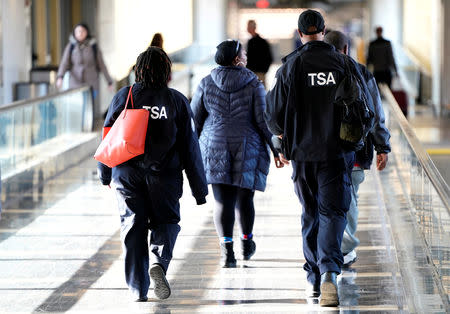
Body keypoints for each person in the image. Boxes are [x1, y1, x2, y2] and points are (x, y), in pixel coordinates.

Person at [264, 10, 373, 307]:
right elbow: (366, 111)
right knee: (333, 213)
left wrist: (282, 140)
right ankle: (328, 273)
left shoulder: (290, 67)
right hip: (337, 154)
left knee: (310, 212)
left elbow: (272, 115)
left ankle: (313, 276)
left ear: (300, 35)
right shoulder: (344, 64)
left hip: (302, 154)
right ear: (323, 31)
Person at [97, 47, 208, 301]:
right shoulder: (177, 101)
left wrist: (104, 173)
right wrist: (199, 189)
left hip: (127, 174)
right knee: (166, 222)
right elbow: (190, 147)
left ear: (138, 70)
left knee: (133, 226)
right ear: (167, 72)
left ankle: (138, 287)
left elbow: (107, 136)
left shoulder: (125, 96)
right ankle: (158, 261)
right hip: (165, 177)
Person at [191, 39, 283, 268]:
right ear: (236, 59)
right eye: (243, 53)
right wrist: (277, 149)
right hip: (247, 145)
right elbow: (264, 122)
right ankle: (246, 241)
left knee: (222, 201)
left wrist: (196, 149)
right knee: (245, 198)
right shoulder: (253, 83)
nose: (246, 56)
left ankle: (227, 253)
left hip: (214, 146)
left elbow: (195, 120)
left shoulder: (205, 82)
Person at [324, 30, 391, 267]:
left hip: (321, 150)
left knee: (322, 200)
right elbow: (375, 113)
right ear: (345, 49)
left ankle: (325, 247)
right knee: (350, 198)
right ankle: (346, 249)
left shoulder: (313, 71)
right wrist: (382, 146)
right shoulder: (361, 73)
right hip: (354, 148)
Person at [56, 23, 114, 118]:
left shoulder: (93, 46)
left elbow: (102, 65)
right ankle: (79, 127)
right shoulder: (71, 46)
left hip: (91, 82)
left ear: (87, 32)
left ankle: (88, 126)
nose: (80, 33)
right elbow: (64, 63)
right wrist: (60, 77)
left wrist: (109, 81)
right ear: (74, 33)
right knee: (77, 106)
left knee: (88, 106)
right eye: (78, 31)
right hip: (75, 82)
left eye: (82, 31)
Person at [246, 20, 273, 88]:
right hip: (256, 73)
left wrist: (263, 71)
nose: (247, 28)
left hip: (258, 73)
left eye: (248, 26)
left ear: (253, 27)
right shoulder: (253, 41)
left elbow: (269, 58)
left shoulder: (258, 42)